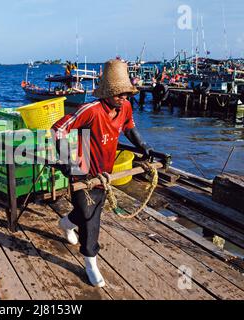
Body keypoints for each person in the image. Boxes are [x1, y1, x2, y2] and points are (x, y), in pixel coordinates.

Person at [52, 59, 154, 288]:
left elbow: (128, 127)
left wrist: (142, 145)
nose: (123, 97)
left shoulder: (125, 106)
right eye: (118, 93)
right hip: (82, 165)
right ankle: (91, 262)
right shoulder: (91, 110)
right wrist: (65, 158)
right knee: (91, 217)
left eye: (126, 93)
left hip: (104, 169)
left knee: (91, 209)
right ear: (106, 93)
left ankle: (67, 223)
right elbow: (58, 129)